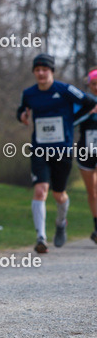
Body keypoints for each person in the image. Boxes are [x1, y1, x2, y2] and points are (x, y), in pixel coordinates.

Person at [17, 54, 97, 253]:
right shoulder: (29, 93)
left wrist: (71, 120)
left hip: (62, 149)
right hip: (39, 148)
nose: (41, 73)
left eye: (45, 69)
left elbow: (89, 102)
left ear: (52, 71)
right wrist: (22, 115)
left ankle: (61, 223)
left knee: (59, 194)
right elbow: (22, 108)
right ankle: (41, 238)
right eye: (37, 70)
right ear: (34, 72)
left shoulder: (65, 90)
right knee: (40, 190)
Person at [74, 68, 97, 244]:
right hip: (86, 150)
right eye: (94, 83)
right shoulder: (83, 102)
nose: (96, 87)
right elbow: (71, 121)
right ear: (88, 85)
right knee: (92, 191)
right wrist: (88, 112)